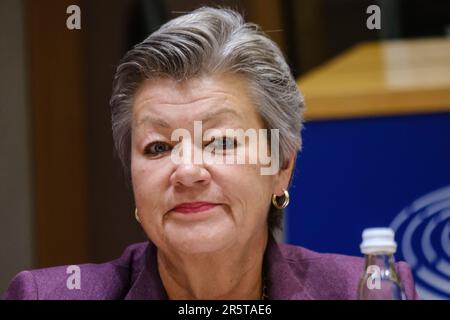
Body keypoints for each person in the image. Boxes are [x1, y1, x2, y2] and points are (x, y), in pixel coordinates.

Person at [3, 7, 418, 300]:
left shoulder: (365, 291)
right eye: (158, 146)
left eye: (220, 142)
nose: (186, 171)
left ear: (282, 166)